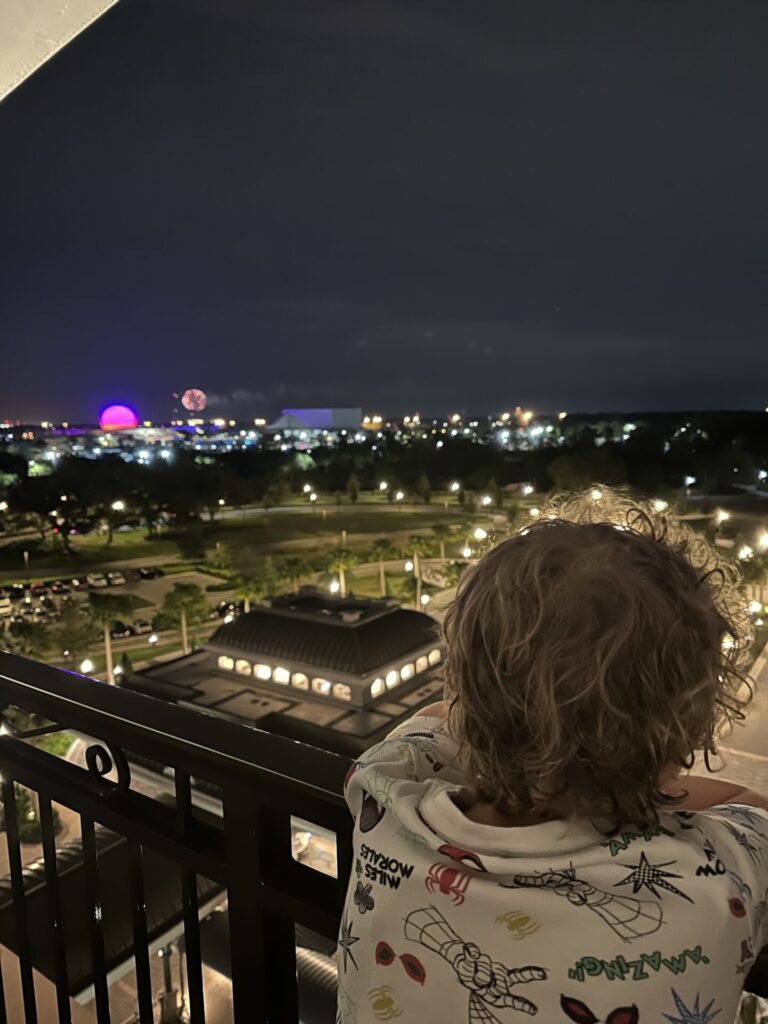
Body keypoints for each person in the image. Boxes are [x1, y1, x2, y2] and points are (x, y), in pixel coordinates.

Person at [336, 488, 768, 1024]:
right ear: (686, 735)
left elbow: (434, 717)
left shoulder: (382, 799)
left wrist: (520, 732)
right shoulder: (714, 876)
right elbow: (752, 805)